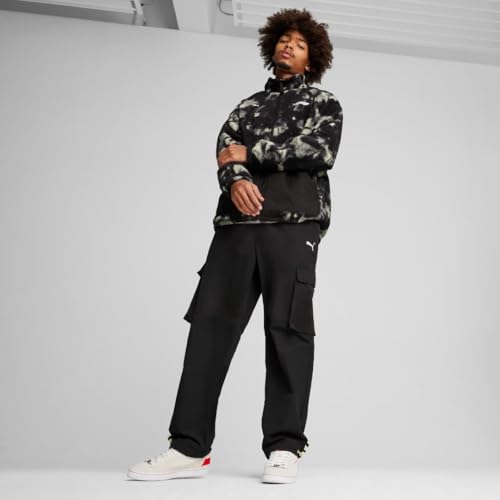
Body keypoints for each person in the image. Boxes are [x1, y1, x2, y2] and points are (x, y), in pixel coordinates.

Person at [127, 7, 343, 484]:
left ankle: (285, 446)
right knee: (209, 329)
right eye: (283, 39)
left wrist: (253, 153)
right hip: (235, 227)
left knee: (288, 332)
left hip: (294, 227)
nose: (288, 46)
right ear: (271, 47)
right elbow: (226, 151)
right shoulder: (246, 107)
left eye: (299, 44)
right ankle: (188, 448)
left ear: (311, 59)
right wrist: (237, 179)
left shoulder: (324, 103)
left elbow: (320, 152)